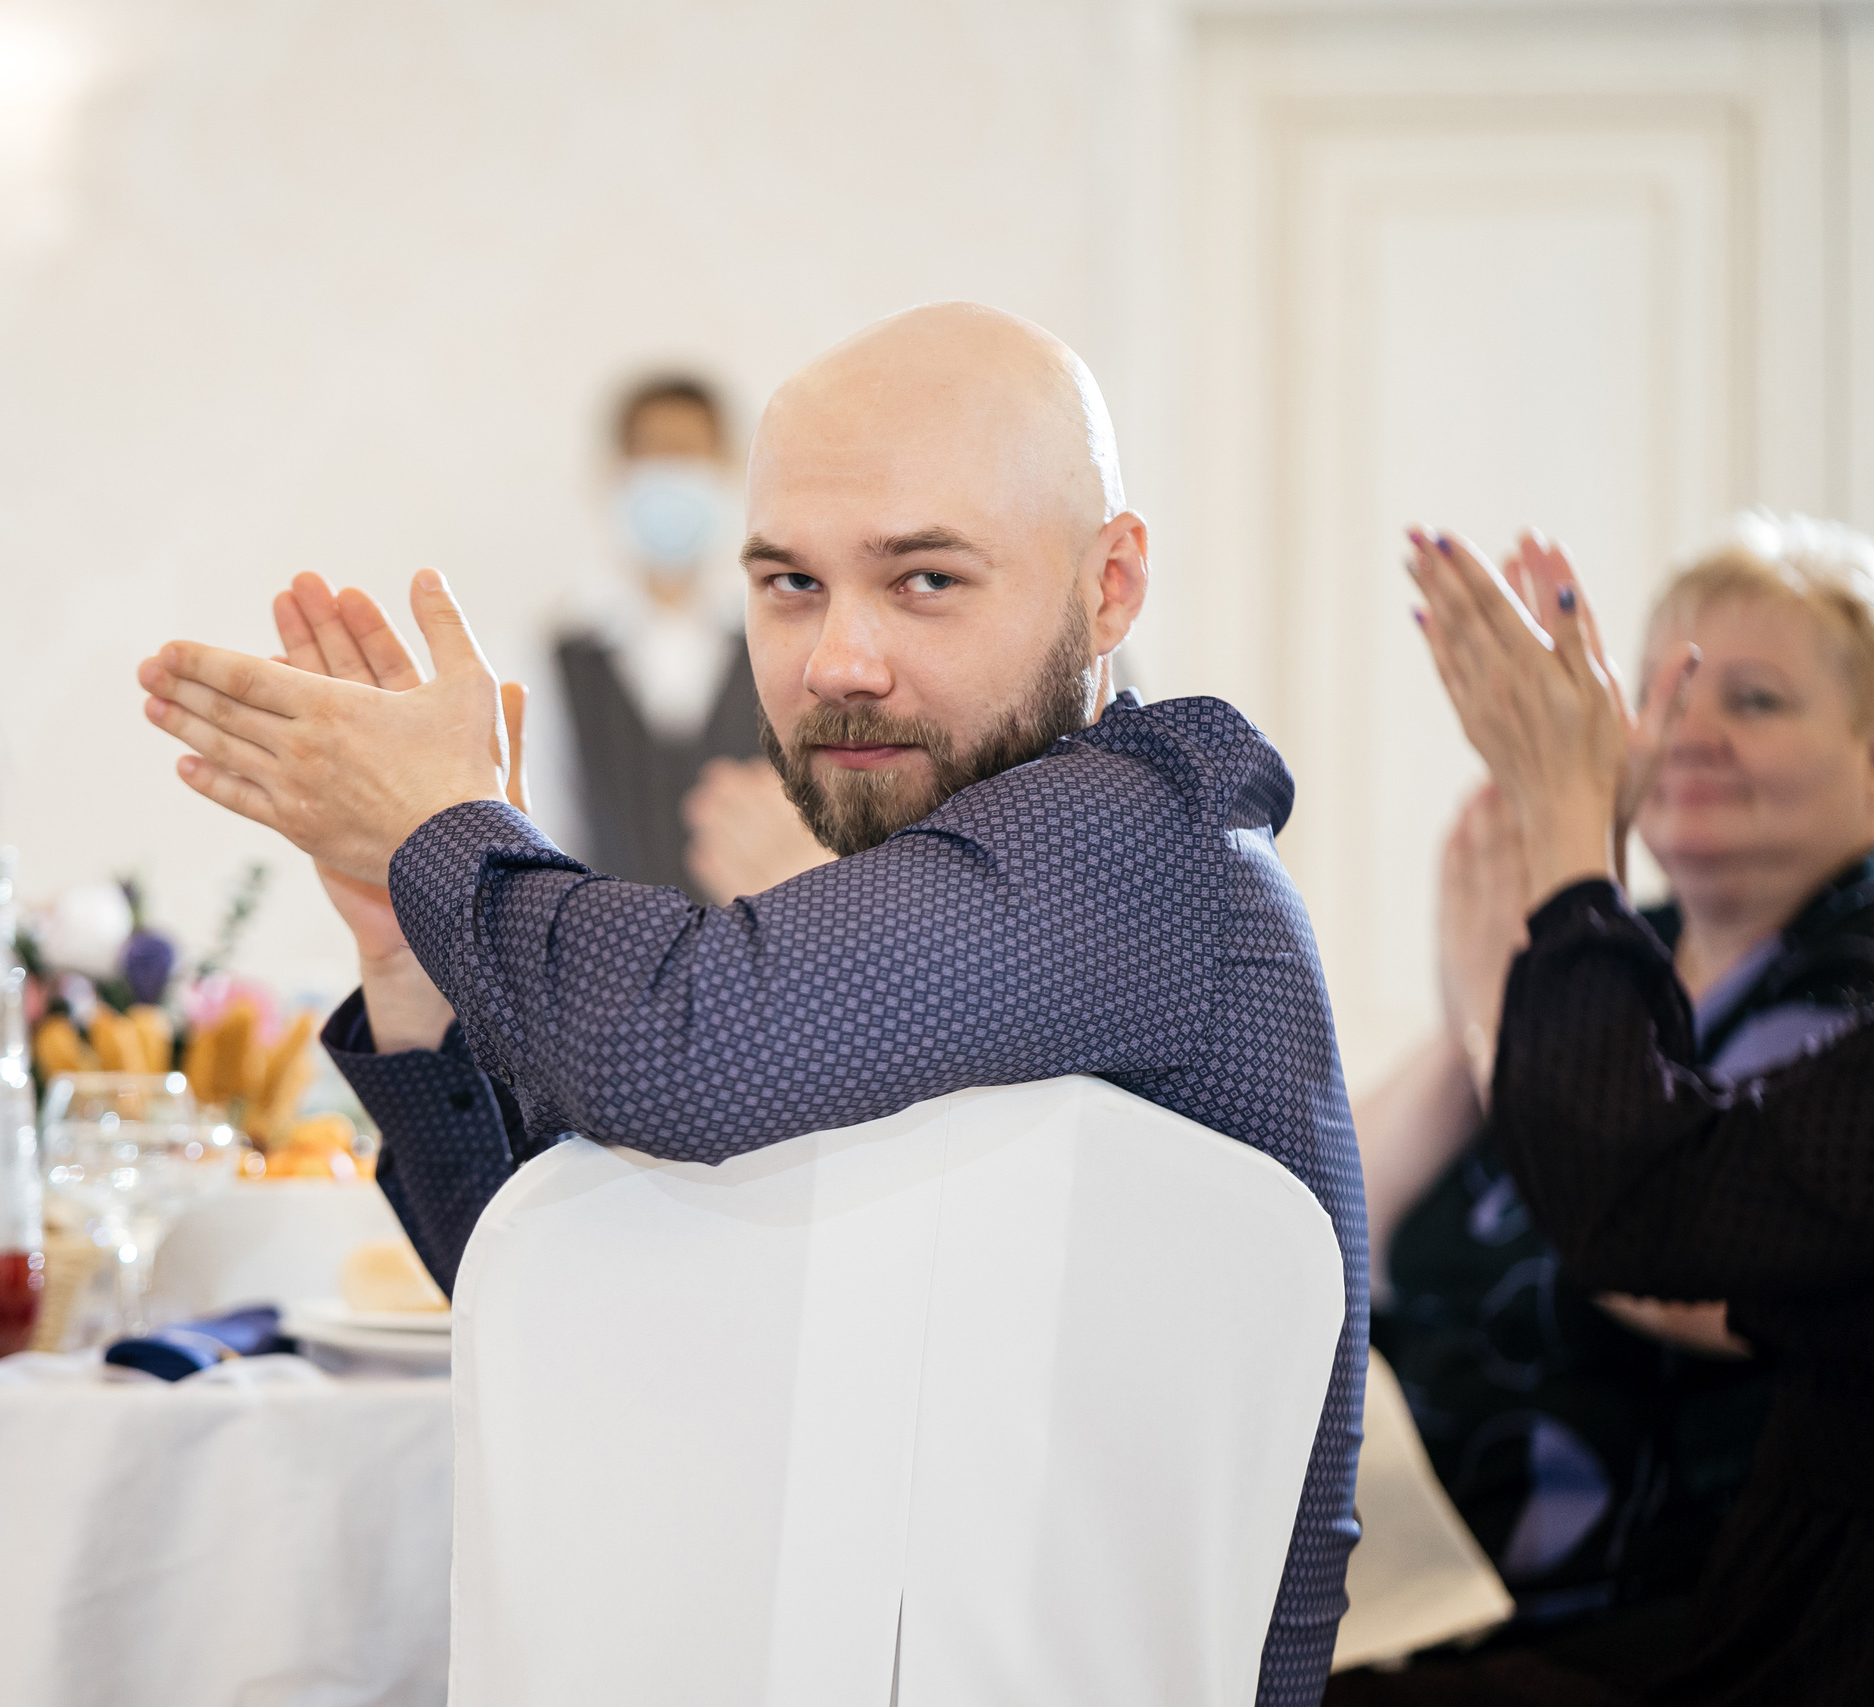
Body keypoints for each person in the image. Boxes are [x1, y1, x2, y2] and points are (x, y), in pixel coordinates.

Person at [135, 301, 1371, 1704]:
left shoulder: (1138, 832)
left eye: (925, 582)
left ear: (1114, 584)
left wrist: (449, 827)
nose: (837, 659)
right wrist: (410, 951)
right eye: (789, 583)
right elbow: (571, 1266)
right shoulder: (953, 903)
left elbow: (680, 1042)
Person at [1341, 520, 1874, 1691]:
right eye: (1660, 690)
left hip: (1668, 1614)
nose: (1687, 730)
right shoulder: (1630, 956)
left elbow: (1685, 1247)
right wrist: (1499, 991)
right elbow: (1341, 1209)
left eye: (1756, 699)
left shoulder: (1849, 975)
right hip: (1445, 1584)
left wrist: (1510, 985)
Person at [554, 374, 829, 901]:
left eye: (691, 457)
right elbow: (543, 820)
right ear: (616, 474)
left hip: (766, 943)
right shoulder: (556, 652)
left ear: (728, 472)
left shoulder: (788, 634)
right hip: (610, 952)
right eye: (656, 456)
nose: (673, 476)